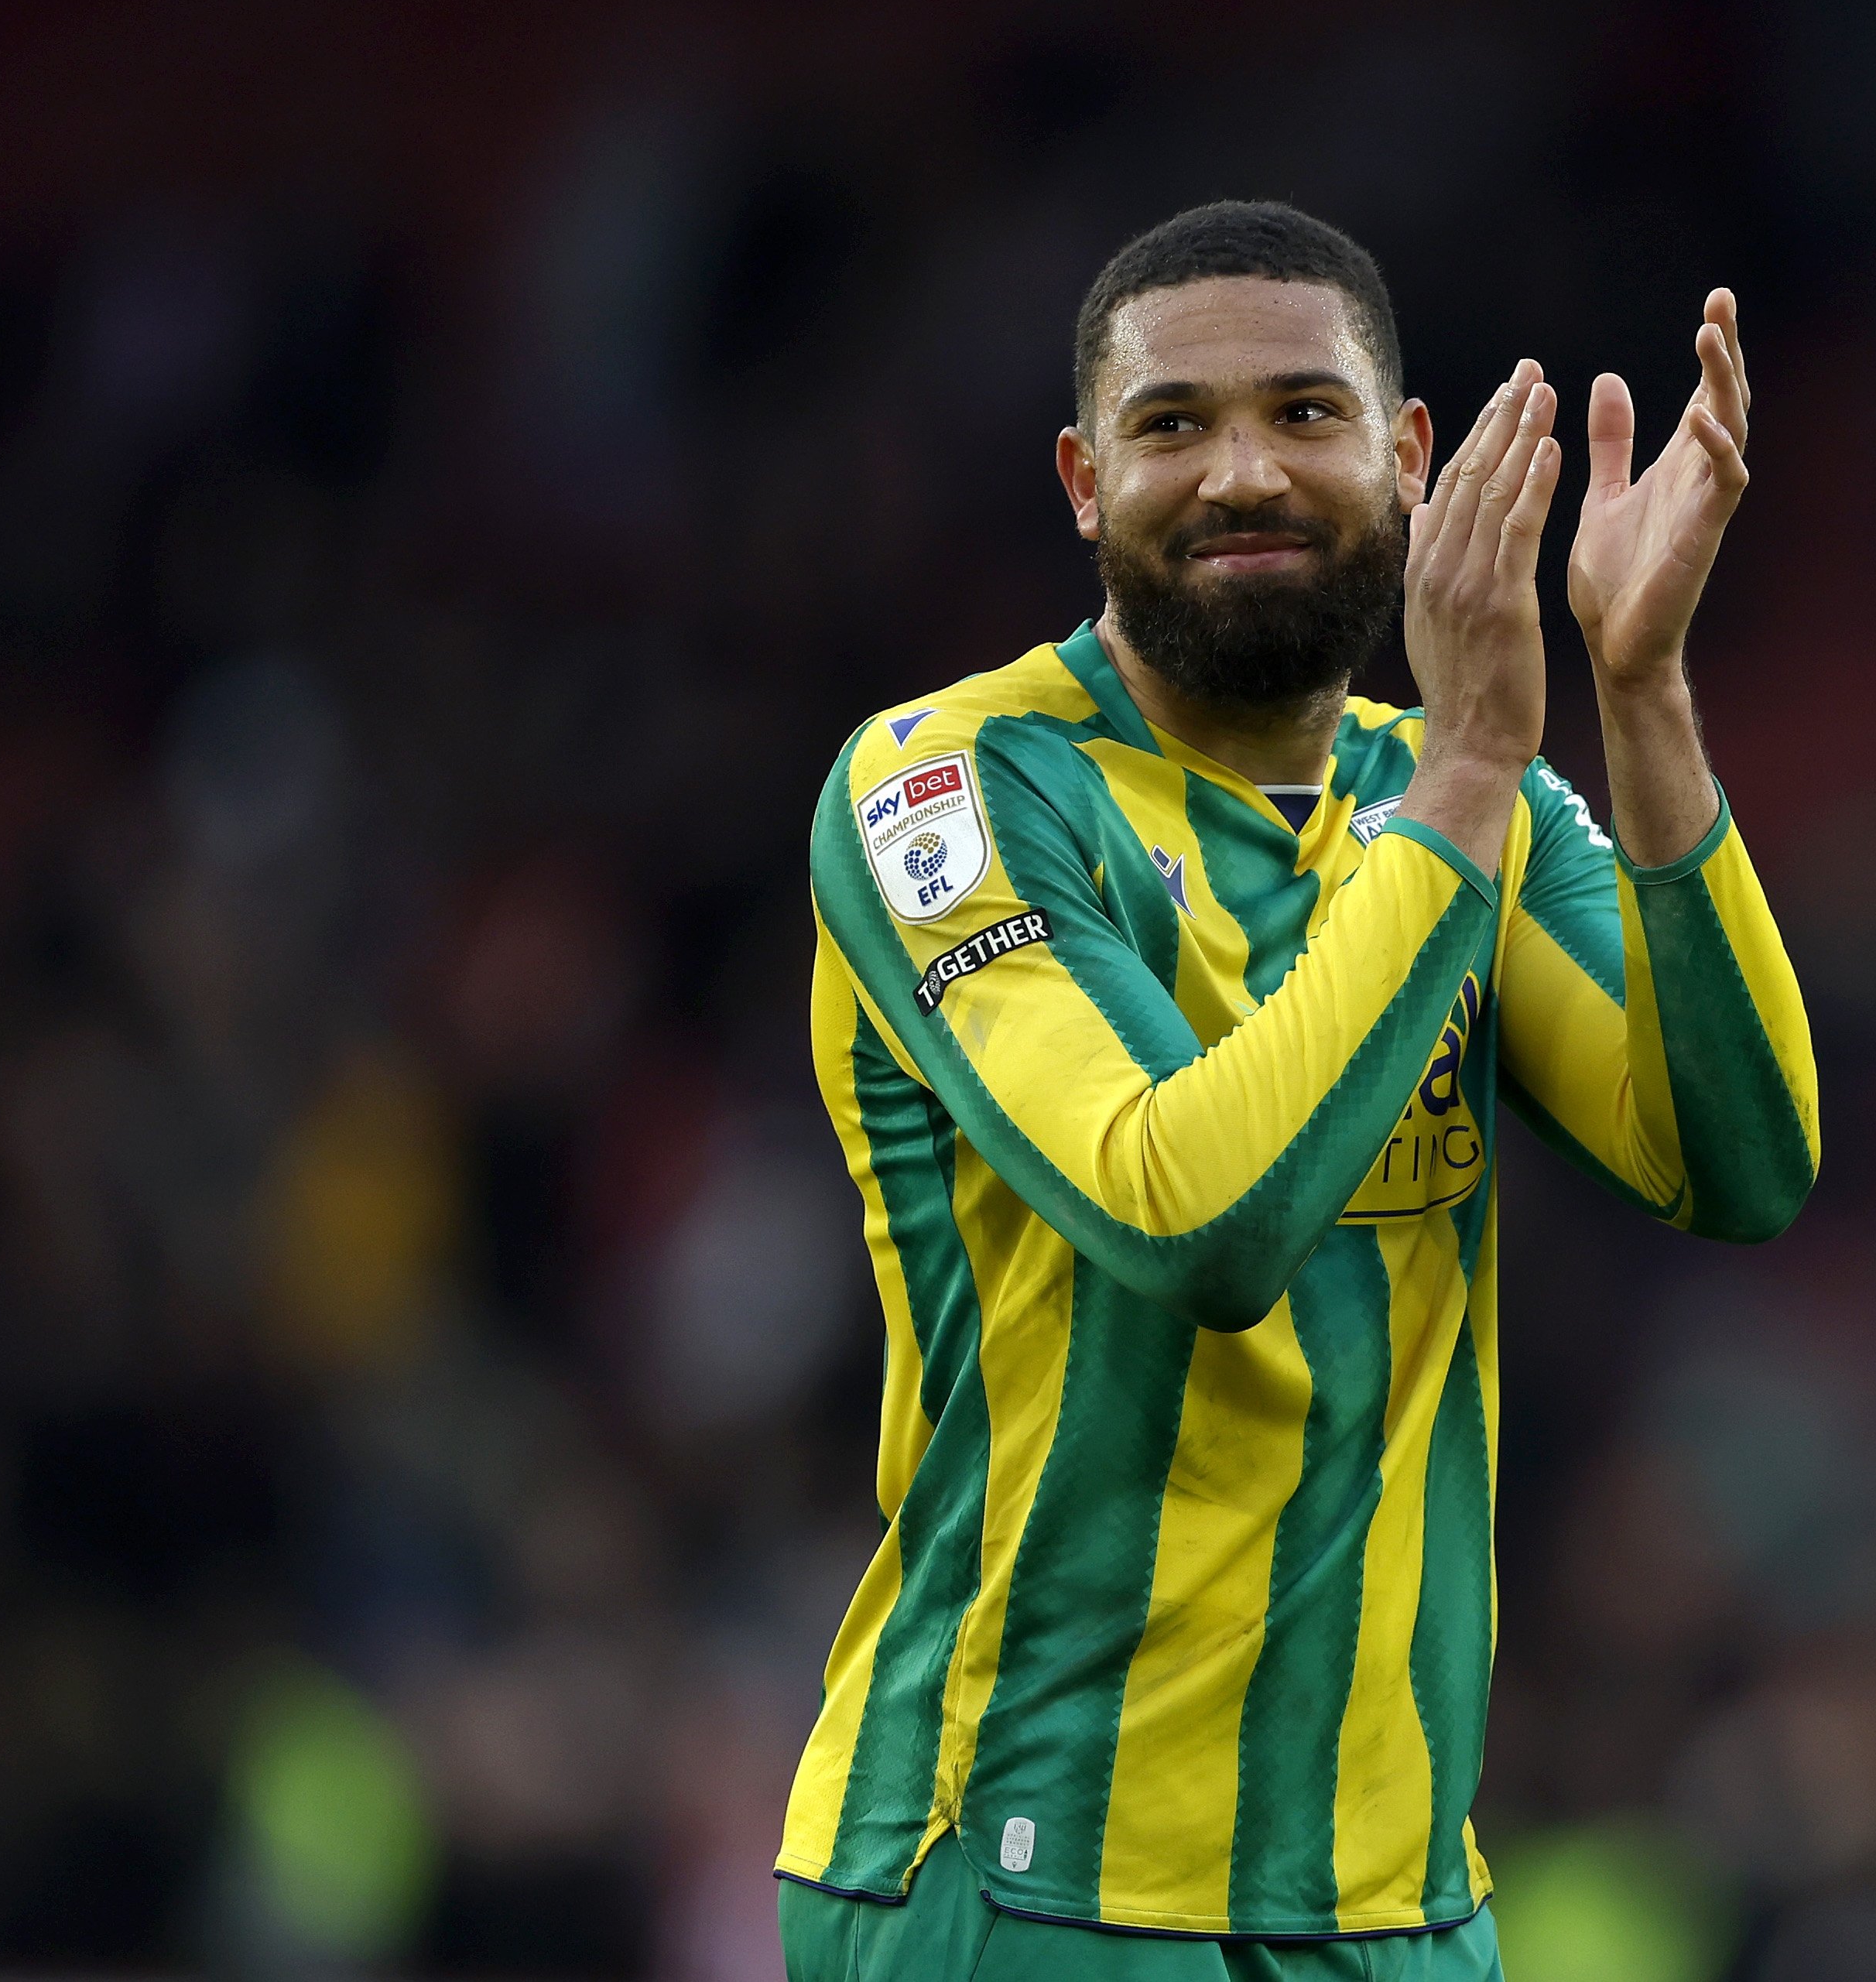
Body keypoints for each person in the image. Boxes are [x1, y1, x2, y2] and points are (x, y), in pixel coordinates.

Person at [775, 200, 1818, 1979]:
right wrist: (1485, 761)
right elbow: (1198, 1220)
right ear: (1083, 480)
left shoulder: (1452, 794)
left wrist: (1637, 693)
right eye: (1171, 424)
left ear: (1409, 454)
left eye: (1306, 413)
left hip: (1398, 1902)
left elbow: (1738, 1162)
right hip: (1031, 1886)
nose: (1242, 471)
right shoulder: (947, 788)